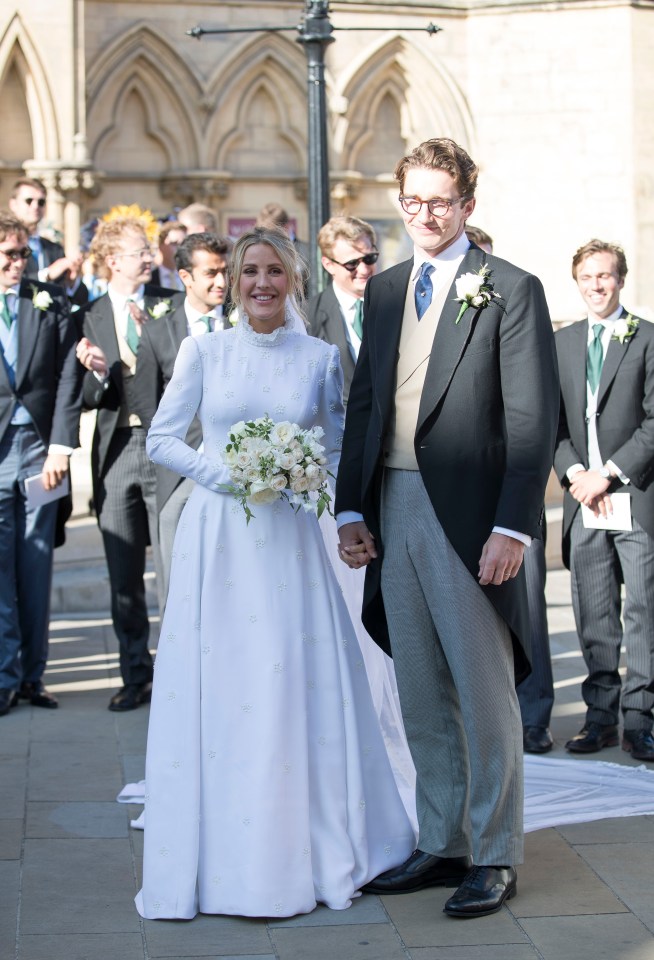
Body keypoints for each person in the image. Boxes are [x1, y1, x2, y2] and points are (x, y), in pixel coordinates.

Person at [135, 226, 415, 920]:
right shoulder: (205, 351)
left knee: (291, 680)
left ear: (293, 282)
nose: (262, 283)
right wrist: (227, 474)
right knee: (225, 682)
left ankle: (308, 846)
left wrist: (313, 482)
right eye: (250, 271)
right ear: (233, 279)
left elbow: (341, 442)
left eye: (275, 273)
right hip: (221, 536)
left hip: (291, 537)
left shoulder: (319, 359)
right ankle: (222, 854)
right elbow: (163, 438)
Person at [335, 138, 559, 918]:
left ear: (468, 204)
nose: (425, 214)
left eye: (441, 201)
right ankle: (442, 840)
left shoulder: (511, 288)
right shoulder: (388, 288)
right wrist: (351, 507)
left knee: (483, 688)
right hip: (391, 504)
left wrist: (514, 529)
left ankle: (495, 853)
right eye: (413, 200)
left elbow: (533, 423)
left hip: (471, 519)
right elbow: (367, 402)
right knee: (419, 686)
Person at [75, 215, 183, 712]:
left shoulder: (169, 307)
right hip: (116, 450)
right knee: (124, 573)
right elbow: (79, 394)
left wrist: (157, 339)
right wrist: (95, 375)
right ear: (113, 259)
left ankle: (180, 672)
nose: (150, 256)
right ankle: (134, 674)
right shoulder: (89, 313)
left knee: (174, 567)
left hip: (167, 449)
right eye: (142, 249)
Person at [554, 240, 654, 763]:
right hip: (583, 501)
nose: (597, 285)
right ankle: (600, 720)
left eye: (607, 276)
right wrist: (576, 474)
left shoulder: (648, 339)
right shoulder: (563, 343)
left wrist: (608, 474)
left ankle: (640, 722)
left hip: (632, 496)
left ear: (621, 279)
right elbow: (549, 422)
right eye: (588, 277)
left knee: (641, 610)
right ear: (577, 282)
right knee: (594, 613)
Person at [465, 225, 555, 755]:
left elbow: (534, 411)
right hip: (459, 491)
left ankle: (534, 714)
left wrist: (519, 517)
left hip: (513, 496)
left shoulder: (517, 306)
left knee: (527, 611)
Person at [0, 212, 81, 716]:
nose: (18, 263)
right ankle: (5, 674)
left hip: (38, 452)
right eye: (8, 254)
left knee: (35, 565)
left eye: (23, 253)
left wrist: (60, 446)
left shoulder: (47, 302)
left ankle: (33, 675)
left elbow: (69, 374)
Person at [131, 232, 231, 598]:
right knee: (176, 582)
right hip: (179, 474)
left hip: (239, 470)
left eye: (225, 271)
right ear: (185, 277)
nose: (221, 281)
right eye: (211, 273)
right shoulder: (158, 333)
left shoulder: (245, 323)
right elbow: (145, 404)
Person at [307, 216, 378, 403]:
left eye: (369, 258)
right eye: (352, 263)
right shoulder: (308, 317)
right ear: (328, 264)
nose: (363, 270)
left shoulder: (398, 305)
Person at [8, 178, 88, 308]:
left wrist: (72, 281)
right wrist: (46, 274)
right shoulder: (5, 247)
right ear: (13, 204)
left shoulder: (54, 249)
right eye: (29, 201)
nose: (35, 206)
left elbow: (80, 299)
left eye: (41, 202)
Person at [150, 220, 186, 291]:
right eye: (174, 243)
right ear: (160, 245)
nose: (180, 248)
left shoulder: (192, 276)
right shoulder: (149, 278)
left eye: (183, 243)